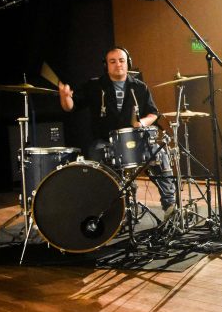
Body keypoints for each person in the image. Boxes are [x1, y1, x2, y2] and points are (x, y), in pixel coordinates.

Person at [58, 47, 176, 219]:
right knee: (97, 159)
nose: (118, 64)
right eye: (112, 61)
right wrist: (65, 97)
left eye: (121, 60)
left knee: (161, 154)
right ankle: (113, 211)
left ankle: (170, 206)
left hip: (136, 141)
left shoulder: (139, 87)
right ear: (106, 65)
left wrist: (141, 123)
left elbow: (153, 113)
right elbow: (70, 107)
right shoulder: (95, 86)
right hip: (105, 141)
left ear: (128, 63)